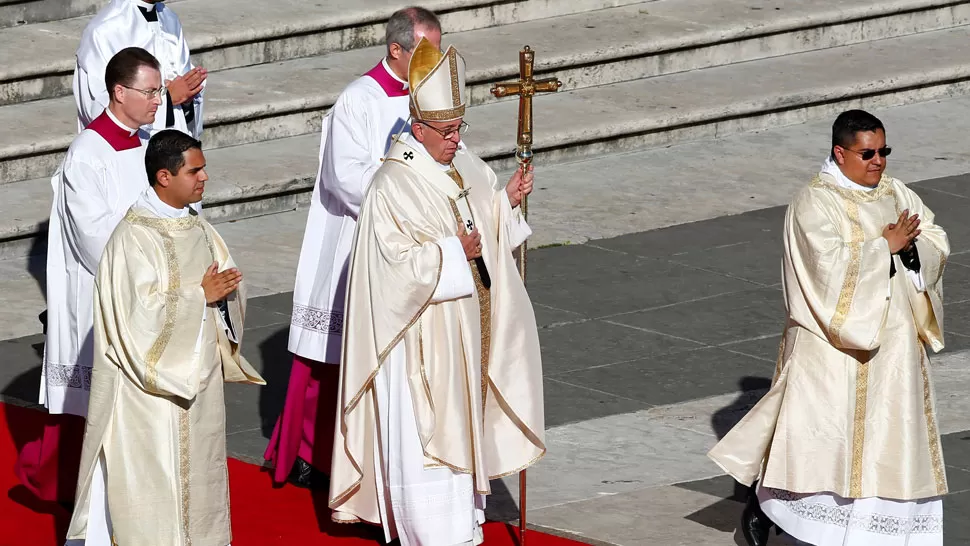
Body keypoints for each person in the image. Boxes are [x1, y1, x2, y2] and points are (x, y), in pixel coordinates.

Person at [328, 37, 546, 545]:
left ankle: (464, 529)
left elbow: (481, 219)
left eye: (459, 128)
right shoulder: (391, 184)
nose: (455, 139)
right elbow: (390, 269)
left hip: (465, 334)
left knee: (462, 439)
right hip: (417, 346)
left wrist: (505, 204)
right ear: (418, 127)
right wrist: (452, 253)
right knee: (427, 443)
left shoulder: (461, 164)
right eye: (446, 131)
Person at [708, 109, 949, 546]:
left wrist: (913, 252)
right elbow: (823, 268)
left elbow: (933, 237)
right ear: (840, 153)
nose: (878, 161)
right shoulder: (814, 202)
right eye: (867, 153)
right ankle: (770, 508)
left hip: (892, 345)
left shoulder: (896, 193)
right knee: (824, 439)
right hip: (832, 345)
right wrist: (885, 247)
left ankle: (874, 532)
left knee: (886, 436)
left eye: (884, 151)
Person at [267, 6, 442, 489]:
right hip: (357, 238)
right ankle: (313, 453)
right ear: (396, 49)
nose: (437, 60)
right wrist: (408, 199)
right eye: (427, 50)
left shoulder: (431, 94)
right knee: (335, 358)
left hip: (410, 243)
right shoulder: (358, 100)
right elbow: (346, 178)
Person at [66, 130, 264, 545]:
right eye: (195, 170)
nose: (204, 177)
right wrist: (199, 297)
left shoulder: (200, 228)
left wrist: (225, 296)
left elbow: (228, 288)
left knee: (201, 480)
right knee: (157, 494)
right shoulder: (131, 238)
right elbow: (135, 319)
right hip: (149, 395)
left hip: (200, 383)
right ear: (163, 177)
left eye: (203, 168)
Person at [16, 47, 163, 506]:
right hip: (102, 292)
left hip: (148, 287)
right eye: (152, 91)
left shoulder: (148, 145)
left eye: (159, 91)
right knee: (92, 404)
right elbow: (93, 237)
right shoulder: (87, 154)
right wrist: (145, 266)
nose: (160, 100)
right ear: (120, 93)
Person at [74, 0, 205, 138]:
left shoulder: (169, 19)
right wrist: (167, 99)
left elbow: (182, 83)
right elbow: (97, 107)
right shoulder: (104, 31)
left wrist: (188, 97)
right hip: (131, 150)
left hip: (176, 143)